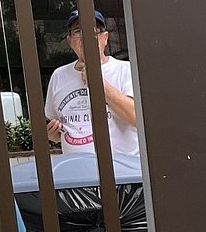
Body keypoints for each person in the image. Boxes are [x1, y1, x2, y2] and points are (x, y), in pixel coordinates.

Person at [44, 9, 139, 159]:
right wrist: (53, 134)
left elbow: (135, 117)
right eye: (78, 31)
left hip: (121, 169)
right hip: (77, 170)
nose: (86, 37)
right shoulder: (58, 76)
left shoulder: (125, 70)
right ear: (70, 41)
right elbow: (55, 127)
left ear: (105, 38)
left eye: (93, 31)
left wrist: (97, 82)